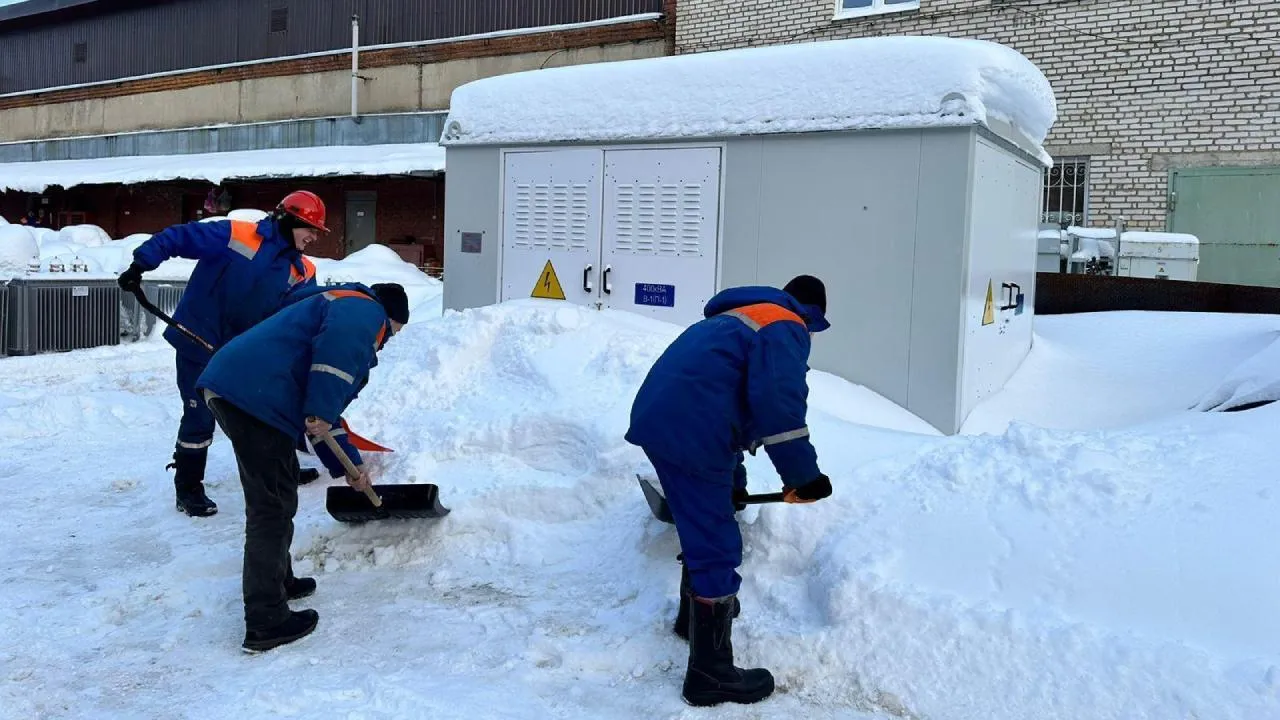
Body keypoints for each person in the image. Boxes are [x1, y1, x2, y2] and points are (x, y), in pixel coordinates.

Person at [625, 275, 834, 707]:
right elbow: (779, 406)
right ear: (810, 313)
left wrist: (734, 488)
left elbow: (723, 399)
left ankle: (691, 620)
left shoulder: (737, 319)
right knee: (717, 542)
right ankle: (710, 673)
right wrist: (802, 477)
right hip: (692, 429)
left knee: (708, 517)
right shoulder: (783, 324)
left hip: (667, 420)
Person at [195, 281, 410, 652]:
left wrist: (351, 469)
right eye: (392, 332)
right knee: (270, 508)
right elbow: (331, 370)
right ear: (387, 315)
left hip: (249, 392)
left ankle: (280, 581)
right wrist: (321, 413)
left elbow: (325, 418)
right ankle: (266, 620)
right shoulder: (364, 309)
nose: (385, 341)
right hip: (253, 396)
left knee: (279, 493)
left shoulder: (339, 305)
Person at [117, 190, 326, 517]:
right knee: (199, 413)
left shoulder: (304, 271)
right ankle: (188, 487)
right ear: (289, 221)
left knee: (268, 408)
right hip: (197, 341)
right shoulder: (236, 235)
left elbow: (301, 312)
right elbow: (178, 237)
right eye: (310, 229)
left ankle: (279, 467)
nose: (314, 237)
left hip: (242, 353)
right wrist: (141, 263)